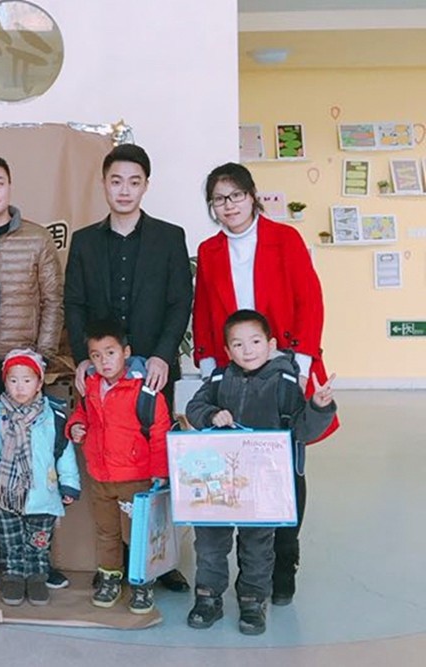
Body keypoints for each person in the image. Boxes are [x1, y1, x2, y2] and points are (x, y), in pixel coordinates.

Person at [193, 162, 339, 605]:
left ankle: (283, 561)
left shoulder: (285, 238)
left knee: (287, 462)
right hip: (232, 364)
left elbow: (310, 299)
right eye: (219, 199)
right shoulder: (209, 250)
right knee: (237, 462)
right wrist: (208, 361)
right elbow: (203, 308)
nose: (229, 205)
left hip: (284, 360)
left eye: (236, 195)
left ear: (252, 195)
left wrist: (301, 360)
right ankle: (242, 568)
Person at [63, 143, 193, 593]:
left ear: (145, 186)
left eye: (134, 182)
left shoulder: (169, 237)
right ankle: (114, 563)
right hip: (101, 370)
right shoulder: (84, 241)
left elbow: (179, 301)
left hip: (153, 370)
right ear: (104, 184)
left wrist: (162, 354)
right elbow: (74, 303)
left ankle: (161, 559)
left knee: (156, 466)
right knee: (110, 467)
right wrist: (83, 356)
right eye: (116, 181)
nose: (124, 190)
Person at [185, 309, 337, 635]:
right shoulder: (217, 380)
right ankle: (208, 596)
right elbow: (194, 408)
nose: (247, 350)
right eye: (238, 344)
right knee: (210, 542)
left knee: (258, 545)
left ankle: (253, 600)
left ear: (271, 345)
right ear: (227, 351)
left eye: (255, 342)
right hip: (219, 482)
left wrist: (319, 407)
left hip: (263, 484)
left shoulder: (284, 384)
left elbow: (302, 430)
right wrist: (211, 415)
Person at [0, 155, 68, 586]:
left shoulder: (37, 238)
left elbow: (52, 300)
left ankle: (38, 555)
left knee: (33, 461)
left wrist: (40, 357)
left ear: (9, 186)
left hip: (24, 370)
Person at [64, 320, 171, 614]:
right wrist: (75, 427)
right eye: (96, 355)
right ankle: (110, 578)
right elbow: (82, 414)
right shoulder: (91, 386)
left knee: (137, 534)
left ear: (126, 352)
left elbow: (160, 433)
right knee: (106, 532)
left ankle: (142, 583)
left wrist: (160, 473)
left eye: (110, 353)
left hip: (135, 478)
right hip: (100, 476)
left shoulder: (145, 390)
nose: (104, 361)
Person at [0, 349, 80, 607]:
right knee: (10, 541)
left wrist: (69, 484)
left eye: (26, 380)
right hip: (5, 493)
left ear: (39, 383)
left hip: (41, 492)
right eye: (13, 380)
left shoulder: (52, 417)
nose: (20, 387)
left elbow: (63, 452)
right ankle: (13, 577)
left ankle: (36, 577)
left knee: (38, 541)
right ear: (5, 382)